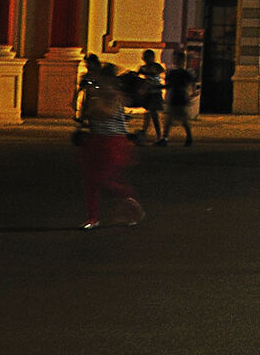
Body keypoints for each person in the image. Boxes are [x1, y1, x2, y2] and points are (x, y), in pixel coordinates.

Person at [74, 61, 145, 229]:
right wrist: (82, 92)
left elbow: (106, 112)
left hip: (112, 141)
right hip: (94, 139)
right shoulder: (94, 94)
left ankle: (130, 200)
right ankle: (92, 218)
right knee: (90, 181)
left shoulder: (115, 95)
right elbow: (83, 114)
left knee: (103, 180)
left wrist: (95, 98)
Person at [158, 46, 198, 146]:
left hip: (179, 97)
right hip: (178, 97)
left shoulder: (177, 73)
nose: (177, 61)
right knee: (176, 120)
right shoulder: (180, 73)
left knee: (177, 120)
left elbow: (169, 85)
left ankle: (167, 138)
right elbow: (191, 83)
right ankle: (187, 138)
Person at [132, 49, 167, 140]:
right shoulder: (143, 68)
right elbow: (138, 76)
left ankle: (159, 135)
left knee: (154, 115)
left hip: (155, 93)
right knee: (148, 114)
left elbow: (157, 72)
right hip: (148, 93)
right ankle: (145, 132)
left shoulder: (156, 66)